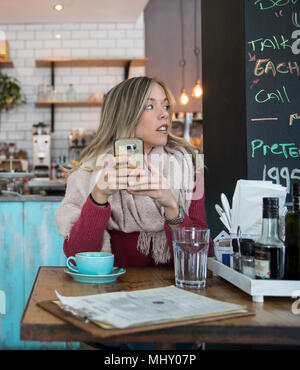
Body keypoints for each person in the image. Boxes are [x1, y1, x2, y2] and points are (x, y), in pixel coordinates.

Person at [55, 76, 211, 266]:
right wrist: (98, 196)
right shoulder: (86, 173)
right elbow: (76, 255)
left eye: (166, 106)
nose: (164, 115)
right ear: (124, 115)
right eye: (150, 106)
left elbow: (201, 255)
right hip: (111, 288)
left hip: (173, 287)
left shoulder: (188, 167)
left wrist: (171, 206)